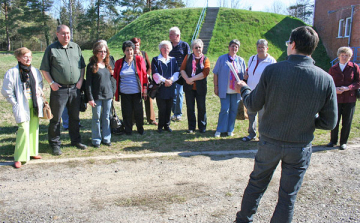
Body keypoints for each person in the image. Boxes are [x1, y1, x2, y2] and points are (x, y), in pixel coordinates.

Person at [234, 26, 338, 223]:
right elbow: (329, 122)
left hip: (269, 142)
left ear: (293, 44)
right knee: (288, 196)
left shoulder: (272, 70)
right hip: (299, 146)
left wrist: (244, 89)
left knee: (256, 185)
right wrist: (306, 120)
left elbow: (253, 104)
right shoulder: (326, 79)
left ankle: (243, 220)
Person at [40, 24, 87, 155]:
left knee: (75, 117)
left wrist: (80, 81)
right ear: (57, 34)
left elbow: (82, 66)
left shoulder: (75, 47)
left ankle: (75, 140)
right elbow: (45, 68)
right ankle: (55, 144)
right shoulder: (52, 49)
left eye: (68, 33)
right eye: (63, 33)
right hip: (59, 90)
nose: (66, 36)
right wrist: (51, 83)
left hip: (74, 89)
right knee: (56, 118)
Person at [1, 47, 44, 168]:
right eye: (25, 56)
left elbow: (40, 84)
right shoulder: (12, 72)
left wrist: (39, 93)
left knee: (33, 128)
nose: (28, 58)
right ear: (18, 58)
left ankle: (32, 152)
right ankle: (19, 157)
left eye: (30, 56)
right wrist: (15, 103)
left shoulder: (35, 71)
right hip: (21, 104)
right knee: (23, 129)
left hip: (34, 103)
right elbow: (6, 91)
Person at [242, 39, 276, 142]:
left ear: (267, 48)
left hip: (263, 93)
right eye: (259, 47)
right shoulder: (252, 58)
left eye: (262, 47)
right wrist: (246, 76)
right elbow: (249, 71)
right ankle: (251, 134)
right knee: (251, 114)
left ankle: (262, 136)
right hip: (251, 91)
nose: (260, 49)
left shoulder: (272, 61)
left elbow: (274, 78)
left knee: (262, 116)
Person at [326, 46, 360, 150]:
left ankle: (343, 142)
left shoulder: (354, 67)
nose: (344, 57)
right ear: (339, 56)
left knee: (347, 121)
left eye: (346, 55)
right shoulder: (333, 68)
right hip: (336, 98)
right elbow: (329, 82)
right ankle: (333, 141)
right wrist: (334, 89)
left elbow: (358, 82)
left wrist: (348, 88)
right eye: (342, 55)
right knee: (335, 120)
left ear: (350, 57)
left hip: (349, 99)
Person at [113, 41, 148, 135]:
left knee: (138, 111)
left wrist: (144, 91)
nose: (130, 52)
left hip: (136, 92)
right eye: (127, 50)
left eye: (131, 50)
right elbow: (115, 77)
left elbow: (144, 75)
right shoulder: (119, 62)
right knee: (126, 112)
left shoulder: (139, 60)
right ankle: (128, 129)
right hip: (124, 93)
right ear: (124, 51)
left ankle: (140, 128)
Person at [213, 39, 246, 137]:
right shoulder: (222, 59)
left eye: (236, 46)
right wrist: (216, 86)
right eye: (232, 46)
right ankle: (220, 129)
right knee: (224, 109)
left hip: (236, 91)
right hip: (225, 90)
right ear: (229, 47)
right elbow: (216, 73)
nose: (234, 48)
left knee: (233, 110)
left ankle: (230, 129)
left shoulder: (241, 60)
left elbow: (244, 75)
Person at [86, 41, 114, 148]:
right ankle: (96, 139)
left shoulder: (108, 65)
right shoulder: (91, 66)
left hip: (108, 96)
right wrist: (90, 98)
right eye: (100, 51)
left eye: (105, 51)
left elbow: (111, 81)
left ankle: (106, 138)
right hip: (96, 96)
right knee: (96, 118)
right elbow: (88, 84)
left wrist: (112, 94)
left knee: (106, 117)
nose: (103, 53)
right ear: (95, 53)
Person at [180, 39, 210, 133]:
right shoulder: (187, 57)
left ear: (202, 48)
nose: (198, 49)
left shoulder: (206, 59)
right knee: (190, 108)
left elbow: (205, 73)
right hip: (189, 88)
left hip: (200, 88)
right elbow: (182, 69)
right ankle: (191, 127)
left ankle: (202, 127)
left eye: (199, 47)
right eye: (196, 47)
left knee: (201, 107)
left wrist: (191, 79)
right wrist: (186, 79)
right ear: (192, 49)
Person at [152, 40, 180, 133]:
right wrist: (165, 80)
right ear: (160, 49)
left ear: (170, 49)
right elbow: (155, 74)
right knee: (162, 108)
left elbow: (177, 72)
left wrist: (171, 80)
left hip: (171, 87)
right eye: (163, 47)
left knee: (169, 107)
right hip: (161, 88)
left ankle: (167, 125)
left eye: (167, 47)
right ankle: (160, 126)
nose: (165, 49)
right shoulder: (156, 60)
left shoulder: (173, 60)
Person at [130, 37, 158, 126]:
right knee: (135, 99)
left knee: (148, 98)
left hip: (145, 80)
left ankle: (151, 119)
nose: (136, 46)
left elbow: (149, 67)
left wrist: (147, 75)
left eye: (137, 44)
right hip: (134, 81)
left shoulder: (144, 54)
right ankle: (134, 119)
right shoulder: (129, 55)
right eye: (134, 45)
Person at [169, 26, 191, 122]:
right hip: (170, 74)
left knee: (179, 93)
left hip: (181, 74)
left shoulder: (184, 45)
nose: (169, 36)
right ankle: (174, 112)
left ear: (177, 35)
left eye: (171, 34)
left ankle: (178, 114)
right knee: (172, 94)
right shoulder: (168, 45)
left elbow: (189, 59)